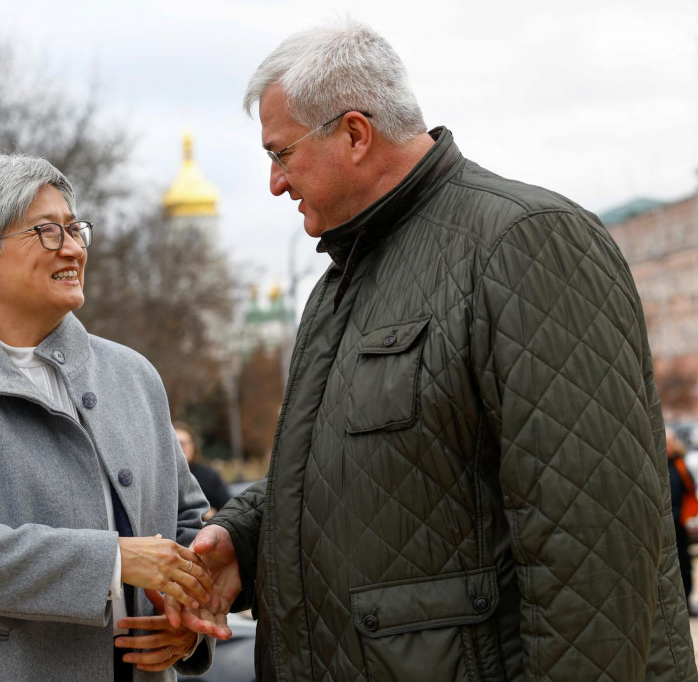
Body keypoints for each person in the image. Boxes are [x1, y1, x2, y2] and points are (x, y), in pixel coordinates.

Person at [170, 21, 698, 682]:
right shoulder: (338, 287)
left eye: (281, 154)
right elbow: (374, 476)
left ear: (355, 135)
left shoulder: (526, 243)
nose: (275, 182)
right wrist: (245, 540)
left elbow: (593, 545)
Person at [0, 153, 214, 681]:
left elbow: (190, 526)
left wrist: (188, 621)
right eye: (47, 232)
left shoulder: (134, 374)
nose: (75, 248)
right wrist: (116, 561)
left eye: (75, 229)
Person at [174, 421, 231, 520]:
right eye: (176, 444)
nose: (180, 449)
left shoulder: (209, 476)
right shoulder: (157, 479)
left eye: (183, 444)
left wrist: (209, 515)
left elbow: (229, 512)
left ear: (193, 447)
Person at [667, 428, 697, 613]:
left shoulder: (680, 464)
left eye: (670, 441)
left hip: (680, 523)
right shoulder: (657, 464)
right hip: (665, 524)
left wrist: (689, 516)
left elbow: (690, 490)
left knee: (684, 565)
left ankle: (686, 601)